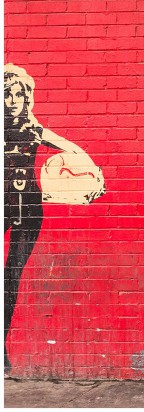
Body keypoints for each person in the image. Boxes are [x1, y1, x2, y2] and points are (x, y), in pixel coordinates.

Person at [4, 63, 105, 373]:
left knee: (11, 279)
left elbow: (71, 148)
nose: (14, 99)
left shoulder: (33, 129)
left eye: (19, 94)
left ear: (27, 97)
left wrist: (94, 177)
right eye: (7, 94)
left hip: (28, 211)